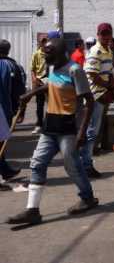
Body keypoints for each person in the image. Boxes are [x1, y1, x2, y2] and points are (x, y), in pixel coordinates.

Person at [7, 38, 98, 225]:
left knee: (72, 166)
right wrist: (30, 94)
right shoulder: (52, 67)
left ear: (61, 53)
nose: (45, 55)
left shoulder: (75, 70)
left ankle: (87, 198)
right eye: (45, 51)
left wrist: (82, 132)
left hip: (68, 128)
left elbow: (89, 102)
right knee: (37, 163)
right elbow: (51, 85)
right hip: (50, 126)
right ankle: (32, 210)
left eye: (49, 52)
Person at [80, 23, 114, 179]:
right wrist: (109, 86)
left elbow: (106, 72)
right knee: (91, 132)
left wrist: (112, 84)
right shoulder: (95, 51)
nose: (105, 36)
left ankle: (85, 163)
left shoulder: (108, 51)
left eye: (108, 33)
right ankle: (85, 165)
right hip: (94, 96)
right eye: (103, 34)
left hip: (101, 94)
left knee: (93, 131)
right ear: (98, 35)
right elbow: (92, 76)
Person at [0, 39, 25, 182]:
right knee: (1, 143)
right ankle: (4, 170)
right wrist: (21, 110)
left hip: (4, 109)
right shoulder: (13, 66)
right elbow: (20, 91)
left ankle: (5, 171)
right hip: (5, 110)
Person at [30, 36, 48, 135]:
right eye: (43, 42)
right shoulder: (36, 54)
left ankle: (48, 125)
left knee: (50, 105)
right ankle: (39, 125)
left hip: (49, 82)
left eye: (46, 41)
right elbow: (32, 69)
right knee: (39, 105)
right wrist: (34, 79)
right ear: (40, 43)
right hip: (39, 81)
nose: (45, 43)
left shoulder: (50, 53)